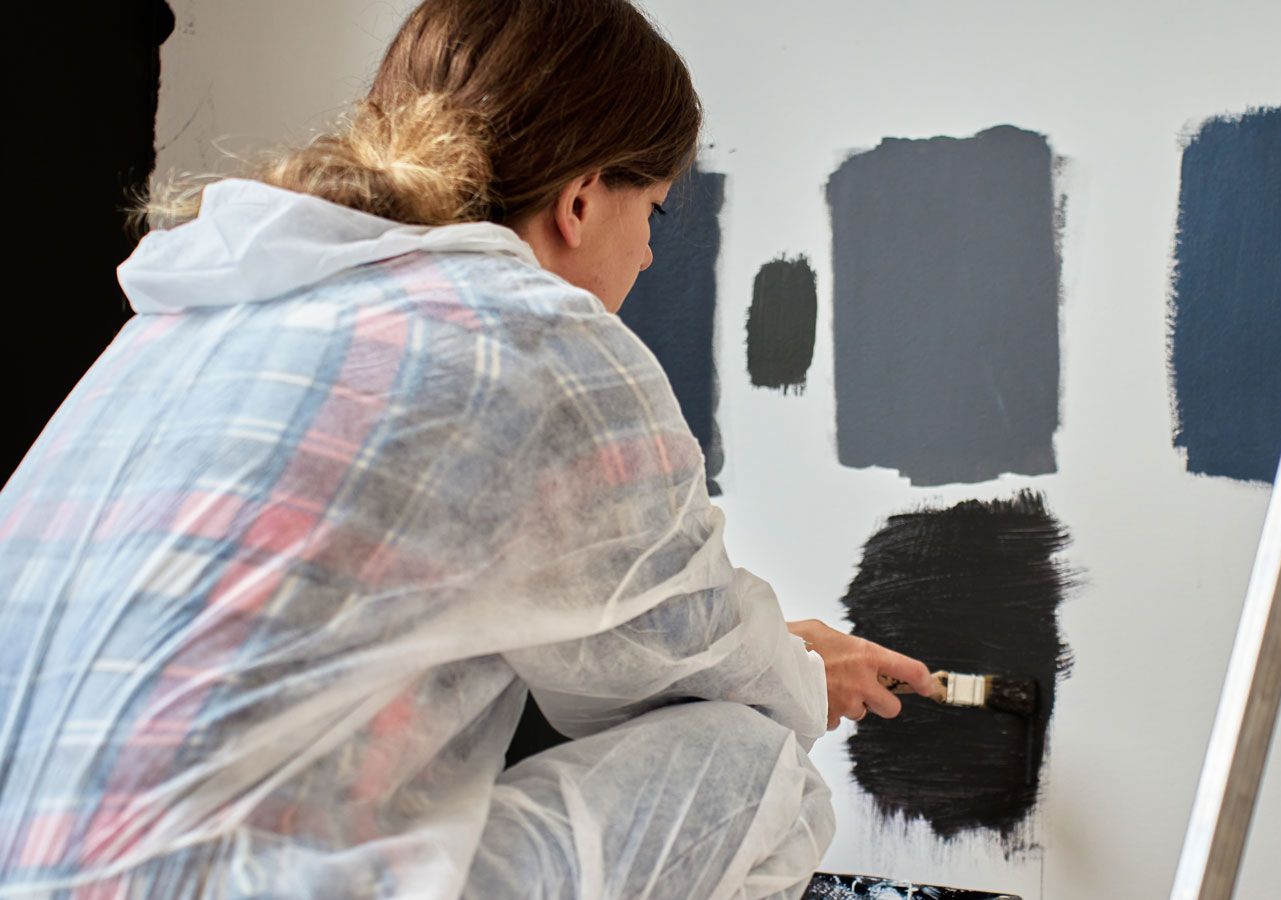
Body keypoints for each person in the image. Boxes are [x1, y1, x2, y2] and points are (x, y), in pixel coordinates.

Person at [0, 1, 937, 897]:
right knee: (757, 763)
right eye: (650, 210)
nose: (649, 258)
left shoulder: (193, 320)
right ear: (579, 201)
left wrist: (772, 654)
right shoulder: (537, 339)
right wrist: (804, 678)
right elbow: (692, 660)